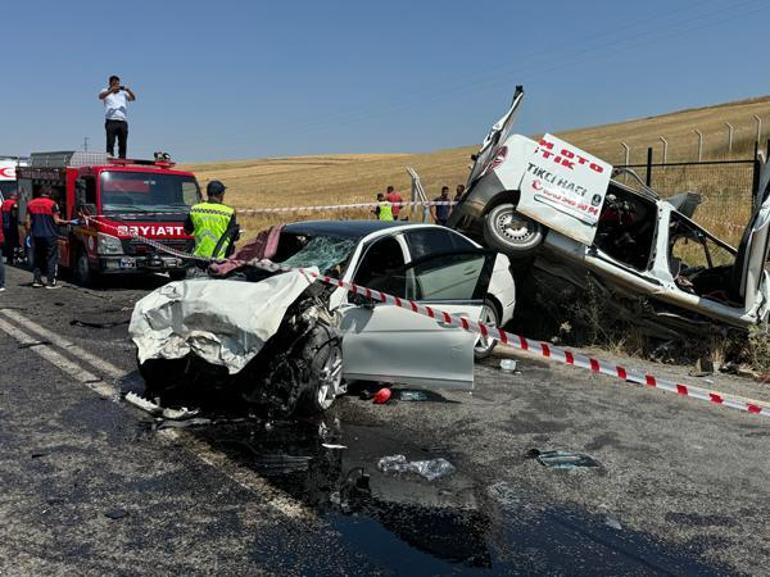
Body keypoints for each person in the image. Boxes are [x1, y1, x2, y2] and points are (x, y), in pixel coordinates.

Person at [26, 187, 70, 289]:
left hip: (36, 235)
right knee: (52, 258)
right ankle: (51, 282)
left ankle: (37, 280)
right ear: (48, 194)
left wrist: (29, 234)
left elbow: (27, 221)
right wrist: (68, 222)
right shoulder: (52, 204)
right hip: (50, 236)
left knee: (38, 258)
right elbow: (57, 221)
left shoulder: (31, 203)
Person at [184, 180, 239, 260]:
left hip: (199, 258)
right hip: (219, 259)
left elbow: (187, 231)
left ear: (208, 193)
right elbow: (234, 236)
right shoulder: (228, 212)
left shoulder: (195, 210)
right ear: (221, 194)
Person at [98, 75, 136, 159]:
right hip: (111, 120)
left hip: (122, 121)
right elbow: (100, 96)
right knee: (110, 141)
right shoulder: (105, 91)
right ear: (110, 83)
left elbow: (133, 98)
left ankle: (122, 158)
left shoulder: (123, 93)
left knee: (123, 142)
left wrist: (128, 90)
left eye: (118, 84)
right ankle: (110, 156)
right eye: (115, 83)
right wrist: (111, 90)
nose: (117, 85)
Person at [1, 192, 19, 264]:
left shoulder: (4, 203)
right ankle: (11, 259)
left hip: (5, 226)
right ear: (13, 196)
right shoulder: (14, 204)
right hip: (12, 226)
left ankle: (9, 258)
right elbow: (14, 215)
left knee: (8, 243)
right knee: (12, 243)